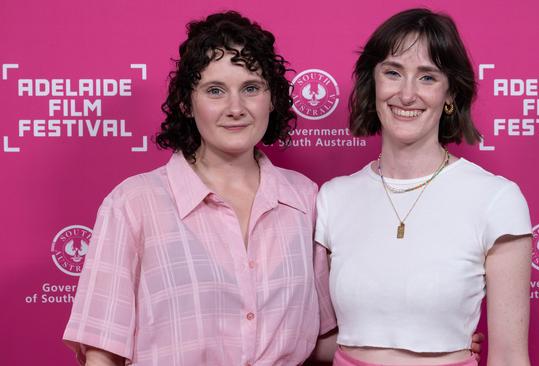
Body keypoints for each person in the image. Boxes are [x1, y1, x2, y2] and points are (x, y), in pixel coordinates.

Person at [62, 11, 336, 365]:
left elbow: (324, 339)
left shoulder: (306, 199)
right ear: (186, 104)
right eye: (215, 91)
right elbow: (102, 353)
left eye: (251, 88)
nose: (235, 108)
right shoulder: (134, 203)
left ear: (272, 99)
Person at [315, 8, 532, 366]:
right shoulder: (332, 198)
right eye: (393, 72)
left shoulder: (495, 199)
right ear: (373, 82)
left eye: (427, 77)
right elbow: (309, 339)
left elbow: (509, 356)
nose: (407, 94)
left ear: (450, 94)